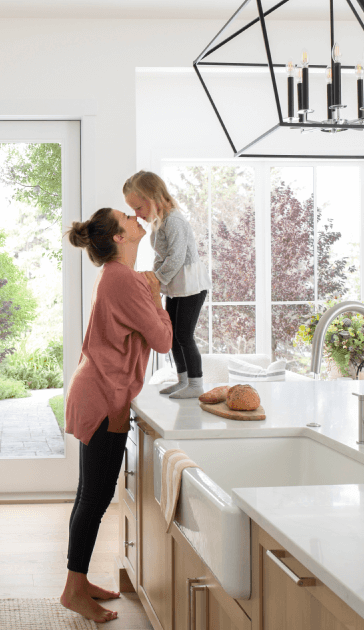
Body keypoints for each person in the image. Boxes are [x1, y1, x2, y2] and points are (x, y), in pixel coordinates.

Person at [61, 207, 172, 623]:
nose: (134, 215)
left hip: (97, 389)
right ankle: (74, 589)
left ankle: (78, 581)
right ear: (120, 237)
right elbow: (161, 340)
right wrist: (157, 297)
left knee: (88, 494)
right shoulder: (124, 279)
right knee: (94, 497)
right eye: (126, 216)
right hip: (104, 397)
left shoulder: (115, 276)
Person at [123, 170, 211, 399]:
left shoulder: (174, 221)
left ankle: (196, 383)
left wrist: (157, 281)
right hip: (176, 284)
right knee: (171, 334)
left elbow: (177, 258)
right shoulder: (159, 222)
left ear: (153, 198)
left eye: (139, 208)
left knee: (184, 335)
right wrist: (154, 279)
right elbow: (162, 257)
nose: (136, 214)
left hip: (190, 285)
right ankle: (183, 380)